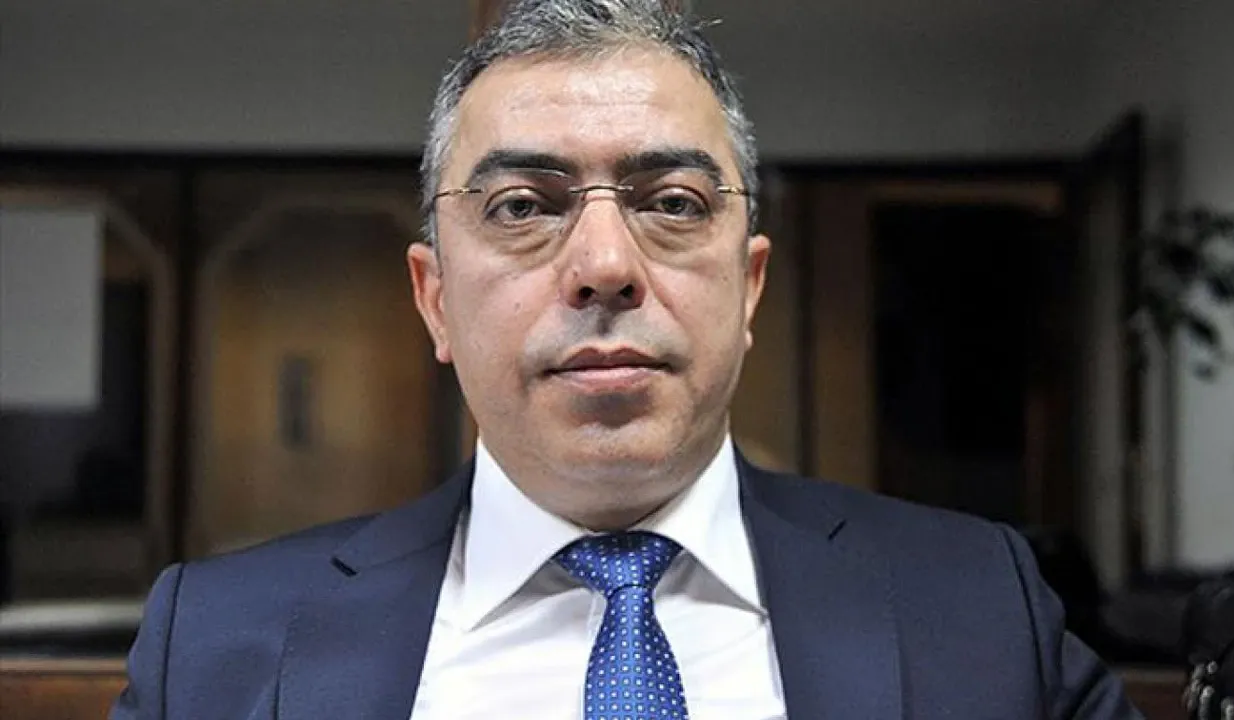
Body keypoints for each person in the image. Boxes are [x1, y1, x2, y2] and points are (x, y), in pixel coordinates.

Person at [111, 1, 1142, 718]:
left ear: (749, 287)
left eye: (673, 204)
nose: (605, 266)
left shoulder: (977, 606)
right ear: (434, 299)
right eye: (523, 206)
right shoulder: (216, 643)